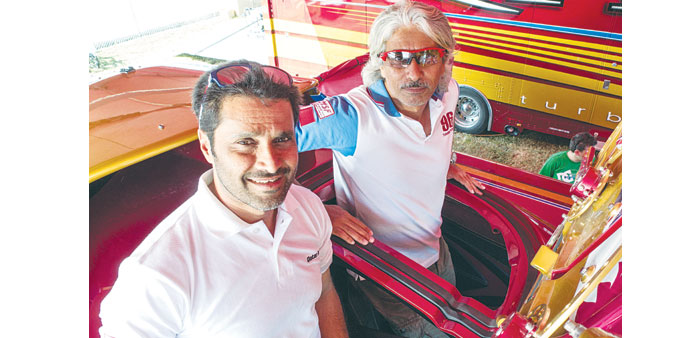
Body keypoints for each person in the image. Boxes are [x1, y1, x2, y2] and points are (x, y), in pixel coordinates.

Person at [99, 60, 348, 338]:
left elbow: (323, 291)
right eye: (245, 142)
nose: (270, 163)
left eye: (282, 139)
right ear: (207, 146)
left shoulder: (307, 206)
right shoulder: (154, 276)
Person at [295, 1, 484, 336]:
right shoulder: (350, 116)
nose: (413, 73)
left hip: (437, 251)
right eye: (398, 58)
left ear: (445, 62)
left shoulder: (449, 94)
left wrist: (445, 163)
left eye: (427, 56)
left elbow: (435, 139)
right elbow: (262, 148)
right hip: (385, 274)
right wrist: (318, 212)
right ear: (379, 63)